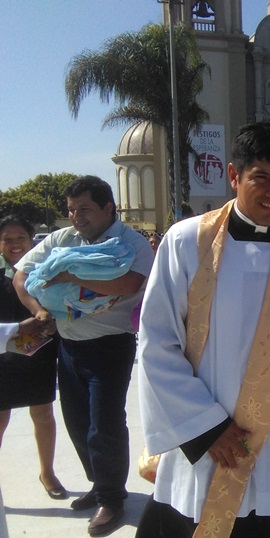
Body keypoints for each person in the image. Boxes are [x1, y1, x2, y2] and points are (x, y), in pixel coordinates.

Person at [136, 122, 270, 538]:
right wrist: (204, 426)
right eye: (261, 178)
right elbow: (156, 342)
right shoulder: (186, 242)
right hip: (214, 441)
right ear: (234, 176)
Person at [14, 176, 154, 536]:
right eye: (72, 210)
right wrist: (40, 310)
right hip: (69, 345)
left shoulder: (132, 243)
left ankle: (112, 499)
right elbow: (21, 275)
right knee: (77, 421)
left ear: (109, 208)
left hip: (110, 346)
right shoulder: (63, 240)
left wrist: (67, 274)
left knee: (103, 423)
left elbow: (129, 284)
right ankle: (100, 484)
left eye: (85, 209)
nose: (76, 216)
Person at [0, 217, 65, 501]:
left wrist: (52, 325)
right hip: (2, 356)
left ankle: (47, 472)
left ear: (31, 240)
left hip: (37, 353)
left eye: (21, 238)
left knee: (43, 414)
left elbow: (62, 305)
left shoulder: (43, 270)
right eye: (7, 239)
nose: (15, 245)